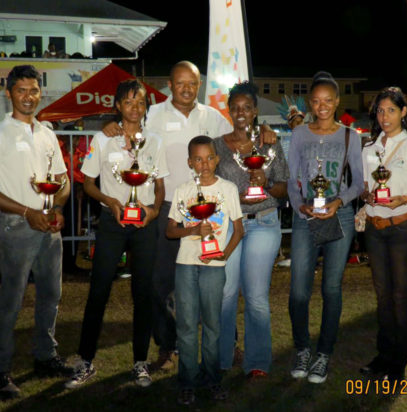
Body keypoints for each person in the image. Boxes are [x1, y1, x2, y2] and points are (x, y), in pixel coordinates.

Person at [102, 60, 276, 369]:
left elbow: (240, 132)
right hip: (168, 207)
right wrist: (111, 127)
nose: (186, 88)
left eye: (192, 83)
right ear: (169, 85)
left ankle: (227, 343)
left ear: (199, 86)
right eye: (180, 83)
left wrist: (262, 128)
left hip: (211, 212)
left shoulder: (213, 118)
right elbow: (128, 131)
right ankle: (168, 347)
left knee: (217, 279)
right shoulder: (151, 115)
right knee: (160, 282)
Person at [0, 65, 72, 399]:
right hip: (18, 226)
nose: (28, 97)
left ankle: (45, 356)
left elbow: (63, 180)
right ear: (9, 93)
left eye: (33, 90)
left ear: (39, 93)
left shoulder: (46, 134)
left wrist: (57, 208)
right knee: (11, 301)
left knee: (51, 296)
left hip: (48, 226)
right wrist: (27, 212)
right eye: (21, 91)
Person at [65, 80, 168, 389]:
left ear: (146, 107)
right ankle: (85, 360)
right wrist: (109, 201)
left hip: (144, 223)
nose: (135, 108)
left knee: (144, 294)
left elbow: (160, 185)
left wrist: (153, 210)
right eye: (129, 102)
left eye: (141, 103)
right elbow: (88, 184)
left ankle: (140, 362)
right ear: (118, 105)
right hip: (112, 224)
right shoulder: (103, 138)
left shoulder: (155, 141)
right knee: (98, 292)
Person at [287, 71, 363, 384]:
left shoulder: (350, 136)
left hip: (338, 215)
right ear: (310, 103)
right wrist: (299, 206)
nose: (322, 106)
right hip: (306, 214)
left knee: (331, 288)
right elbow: (292, 180)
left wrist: (339, 202)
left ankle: (323, 355)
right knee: (298, 292)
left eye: (328, 100)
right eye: (316, 101)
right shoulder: (300, 134)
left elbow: (358, 182)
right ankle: (302, 349)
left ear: (337, 102)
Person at [214, 81, 289, 378]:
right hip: (230, 226)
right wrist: (234, 197)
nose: (241, 112)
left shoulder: (270, 143)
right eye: (235, 108)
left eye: (247, 107)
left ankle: (257, 361)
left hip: (264, 222)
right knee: (226, 293)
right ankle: (221, 358)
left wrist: (266, 183)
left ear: (256, 110)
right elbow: (212, 187)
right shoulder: (218, 146)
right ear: (229, 110)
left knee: (256, 297)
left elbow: (283, 188)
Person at [359, 87, 407, 381]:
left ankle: (398, 363)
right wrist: (367, 196)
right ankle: (383, 355)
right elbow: (366, 187)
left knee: (400, 297)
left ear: (403, 112)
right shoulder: (368, 148)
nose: (384, 116)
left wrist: (405, 197)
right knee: (382, 297)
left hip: (402, 228)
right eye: (379, 110)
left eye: (390, 110)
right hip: (375, 230)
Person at [166, 135, 243, 405]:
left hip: (214, 267)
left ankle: (212, 379)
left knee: (212, 325)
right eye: (198, 159)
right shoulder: (182, 190)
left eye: (209, 157)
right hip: (186, 265)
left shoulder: (228, 189)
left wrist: (224, 254)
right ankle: (187, 381)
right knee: (187, 326)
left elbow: (239, 230)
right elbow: (170, 230)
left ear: (217, 159)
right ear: (190, 162)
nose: (205, 163)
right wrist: (193, 230)